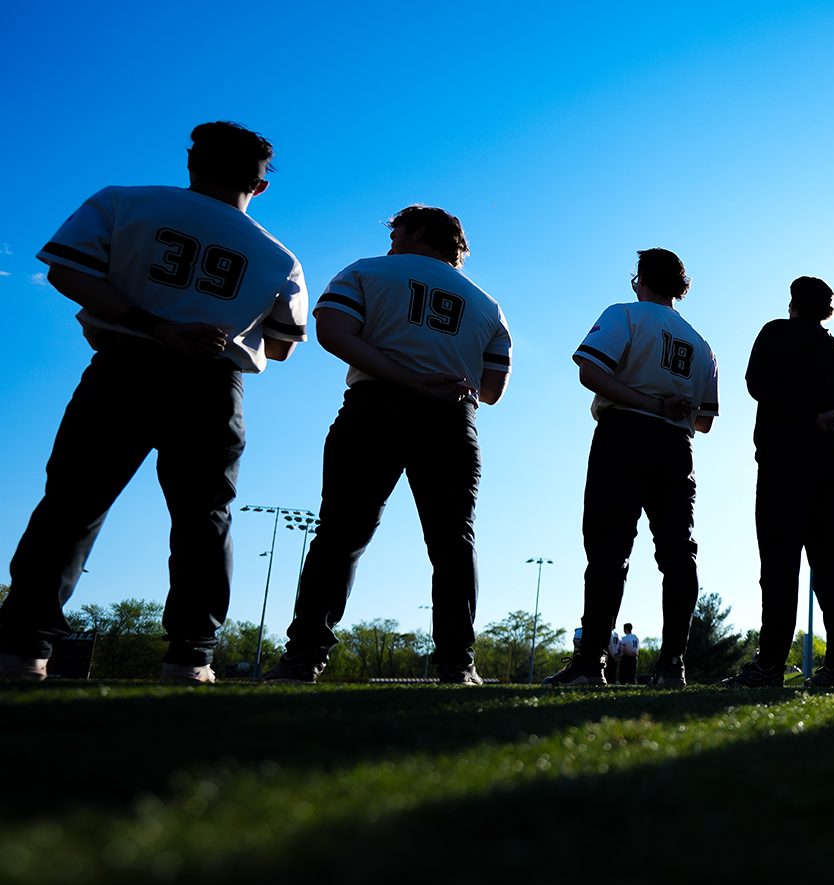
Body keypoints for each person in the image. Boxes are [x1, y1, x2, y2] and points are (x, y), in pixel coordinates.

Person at [0, 123, 307, 684]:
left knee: (72, 503)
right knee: (203, 519)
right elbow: (284, 346)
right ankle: (191, 658)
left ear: (192, 164)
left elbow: (66, 268)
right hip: (212, 383)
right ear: (260, 185)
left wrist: (155, 323)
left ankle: (22, 649)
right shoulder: (278, 255)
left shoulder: (124, 201)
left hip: (127, 363)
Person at [264, 206, 509, 685]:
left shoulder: (366, 270)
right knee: (453, 541)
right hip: (452, 417)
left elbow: (334, 333)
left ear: (417, 231)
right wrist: (439, 378)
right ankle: (458, 663)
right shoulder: (487, 304)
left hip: (376, 406)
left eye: (397, 230)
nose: (390, 239)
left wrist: (408, 377)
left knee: (340, 534)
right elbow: (493, 390)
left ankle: (303, 658)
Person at [544, 248, 719, 688]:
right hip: (677, 445)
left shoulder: (625, 314)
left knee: (608, 548)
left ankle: (589, 664)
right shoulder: (701, 343)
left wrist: (649, 401)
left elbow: (590, 371)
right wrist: (671, 405)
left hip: (624, 434)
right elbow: (705, 421)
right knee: (678, 551)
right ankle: (671, 665)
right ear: (683, 287)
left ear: (639, 278)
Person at [724, 277, 834, 690]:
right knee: (831, 562)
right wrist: (822, 420)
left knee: (781, 562)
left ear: (792, 304)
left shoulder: (777, 333)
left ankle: (769, 666)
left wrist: (805, 418)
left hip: (787, 462)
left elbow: (757, 385)